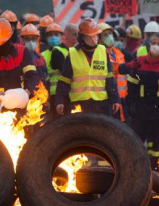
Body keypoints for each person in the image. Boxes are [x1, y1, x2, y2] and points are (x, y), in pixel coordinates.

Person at [56, 18, 120, 116]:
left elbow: (110, 78)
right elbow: (64, 81)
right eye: (91, 36)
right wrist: (60, 101)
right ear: (83, 38)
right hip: (79, 104)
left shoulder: (103, 51)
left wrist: (115, 99)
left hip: (101, 104)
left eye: (96, 35)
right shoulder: (72, 54)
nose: (95, 38)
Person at [0, 18, 40, 118]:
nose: (0, 44)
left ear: (10, 37)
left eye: (4, 41)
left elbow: (32, 75)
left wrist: (28, 91)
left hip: (22, 107)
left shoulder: (22, 52)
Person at [120, 33, 159, 172]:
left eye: (158, 43)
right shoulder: (140, 61)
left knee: (155, 144)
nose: (156, 46)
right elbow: (131, 85)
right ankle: (134, 169)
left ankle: (154, 168)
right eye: (153, 43)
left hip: (156, 111)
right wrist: (131, 106)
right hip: (140, 109)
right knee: (135, 140)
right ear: (148, 46)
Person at [98, 22, 129, 123]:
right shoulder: (99, 55)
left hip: (122, 98)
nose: (109, 37)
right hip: (108, 99)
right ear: (99, 38)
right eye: (105, 34)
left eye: (110, 34)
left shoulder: (118, 52)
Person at [41, 23, 63, 120]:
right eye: (50, 35)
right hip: (51, 96)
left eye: (56, 34)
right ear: (46, 38)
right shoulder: (42, 55)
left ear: (61, 36)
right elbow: (43, 79)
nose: (53, 37)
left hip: (66, 95)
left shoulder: (67, 51)